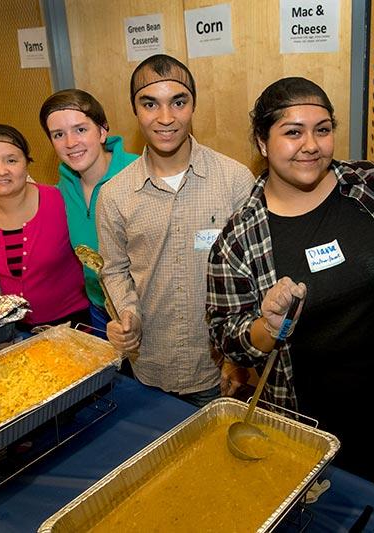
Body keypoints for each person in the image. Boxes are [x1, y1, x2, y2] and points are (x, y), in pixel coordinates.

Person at [205, 77, 374, 498]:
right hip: (311, 426)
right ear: (262, 143)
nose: (311, 144)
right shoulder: (239, 239)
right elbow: (228, 338)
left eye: (322, 130)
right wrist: (266, 325)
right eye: (293, 132)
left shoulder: (371, 186)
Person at [97, 54, 255, 407]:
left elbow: (252, 277)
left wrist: (237, 356)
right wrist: (127, 314)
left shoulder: (234, 180)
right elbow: (115, 269)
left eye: (178, 102)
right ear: (135, 111)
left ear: (193, 106)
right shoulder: (114, 194)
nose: (165, 118)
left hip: (218, 371)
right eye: (150, 104)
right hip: (149, 368)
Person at [0, 124, 89, 332]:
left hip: (74, 322)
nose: (1, 170)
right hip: (16, 325)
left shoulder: (59, 201)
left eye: (11, 160)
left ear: (26, 164)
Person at [39, 89, 139, 334]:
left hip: (144, 308)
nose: (70, 143)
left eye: (80, 130)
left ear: (103, 131)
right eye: (59, 134)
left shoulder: (139, 173)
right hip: (98, 307)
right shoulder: (61, 189)